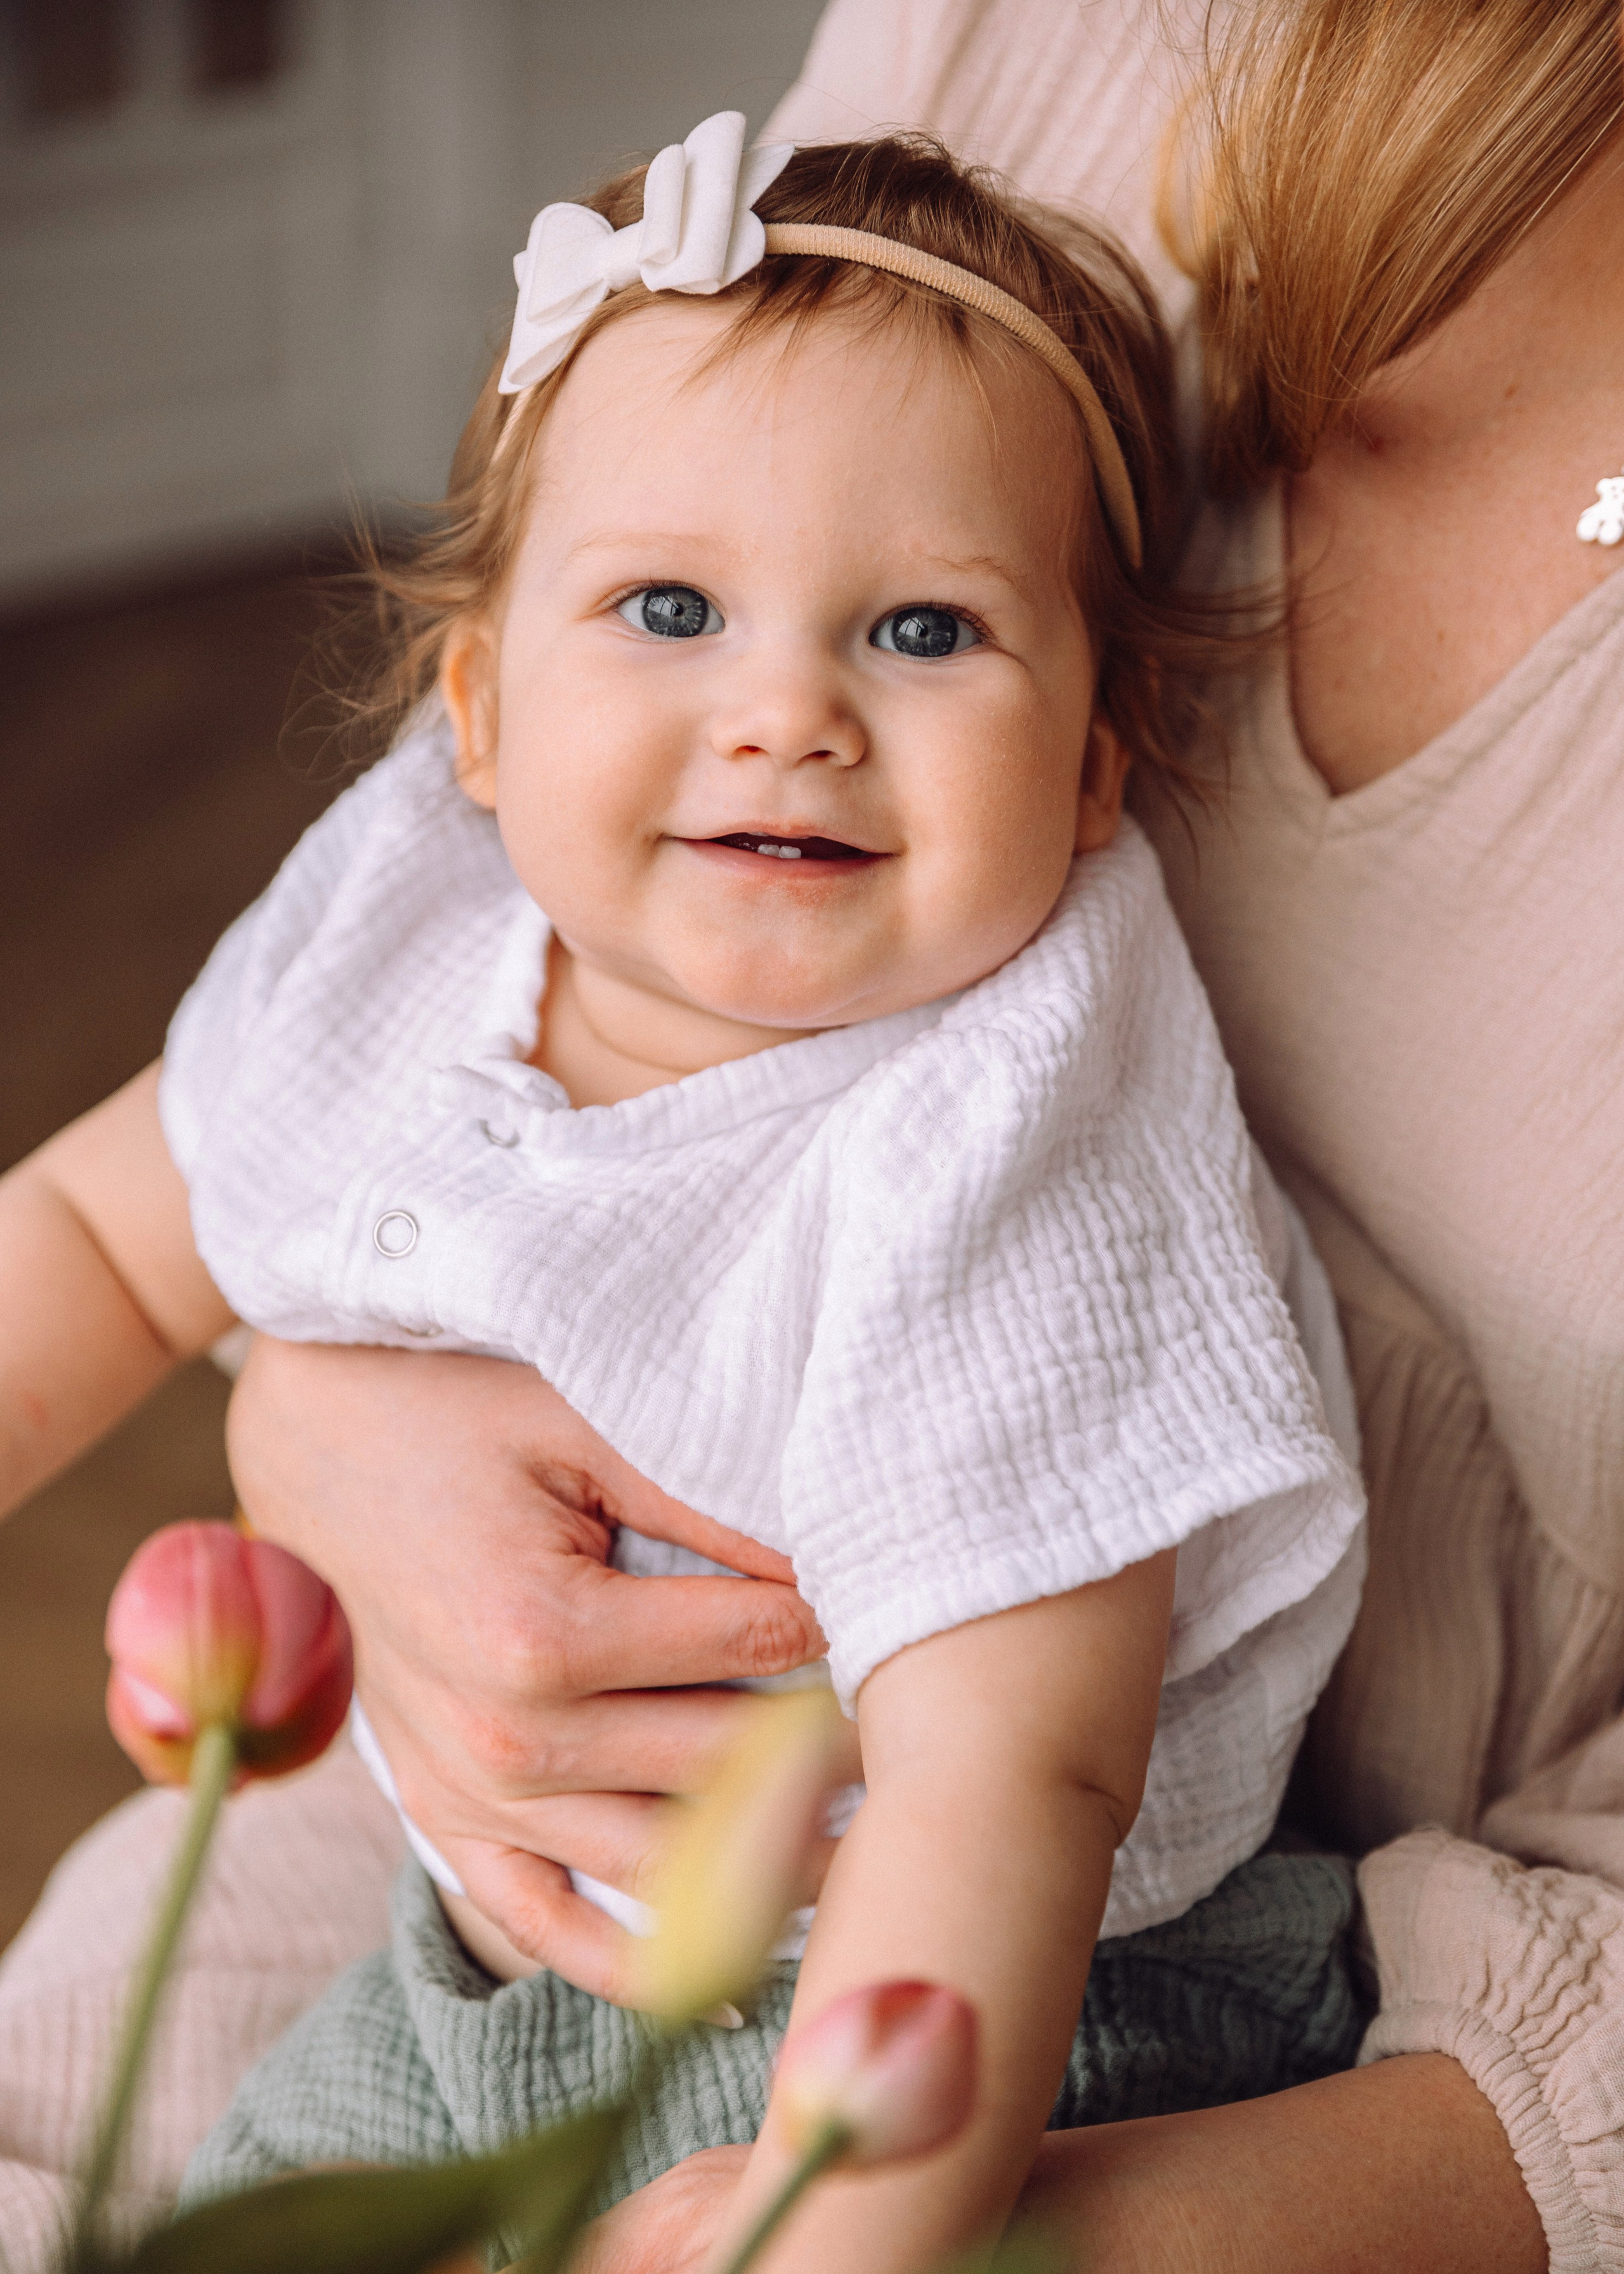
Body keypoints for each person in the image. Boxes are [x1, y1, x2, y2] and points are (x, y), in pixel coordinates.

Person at [2, 1, 1620, 2266]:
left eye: (926, 631)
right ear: (477, 710)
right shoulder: (436, 941)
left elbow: (1014, 1766)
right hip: (470, 1934)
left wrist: (858, 2203)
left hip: (979, 2017)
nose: (788, 712)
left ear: (1089, 770)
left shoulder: (1008, 1138)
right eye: (669, 609)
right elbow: (95, 1230)